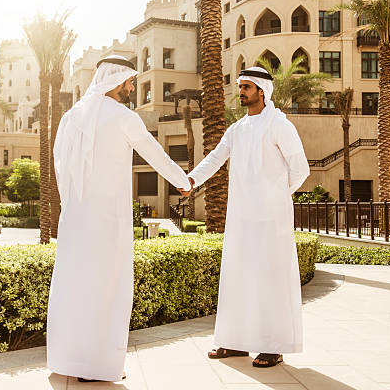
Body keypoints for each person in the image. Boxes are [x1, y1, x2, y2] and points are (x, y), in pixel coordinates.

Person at [47, 55, 191, 382]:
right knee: (107, 288)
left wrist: (71, 203)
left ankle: (69, 359)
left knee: (75, 285)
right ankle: (97, 365)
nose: (131, 89)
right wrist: (183, 182)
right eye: (129, 82)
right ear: (116, 81)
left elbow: (59, 164)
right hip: (109, 221)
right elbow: (155, 153)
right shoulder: (123, 117)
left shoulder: (72, 117)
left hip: (76, 219)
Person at [184, 66, 310, 368]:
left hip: (272, 219)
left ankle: (273, 345)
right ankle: (236, 343)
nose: (240, 92)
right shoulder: (238, 129)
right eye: (240, 87)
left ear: (262, 91)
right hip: (241, 218)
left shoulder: (280, 125)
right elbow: (216, 156)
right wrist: (191, 180)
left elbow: (300, 169)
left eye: (246, 87)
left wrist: (276, 197)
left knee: (270, 279)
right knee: (238, 276)